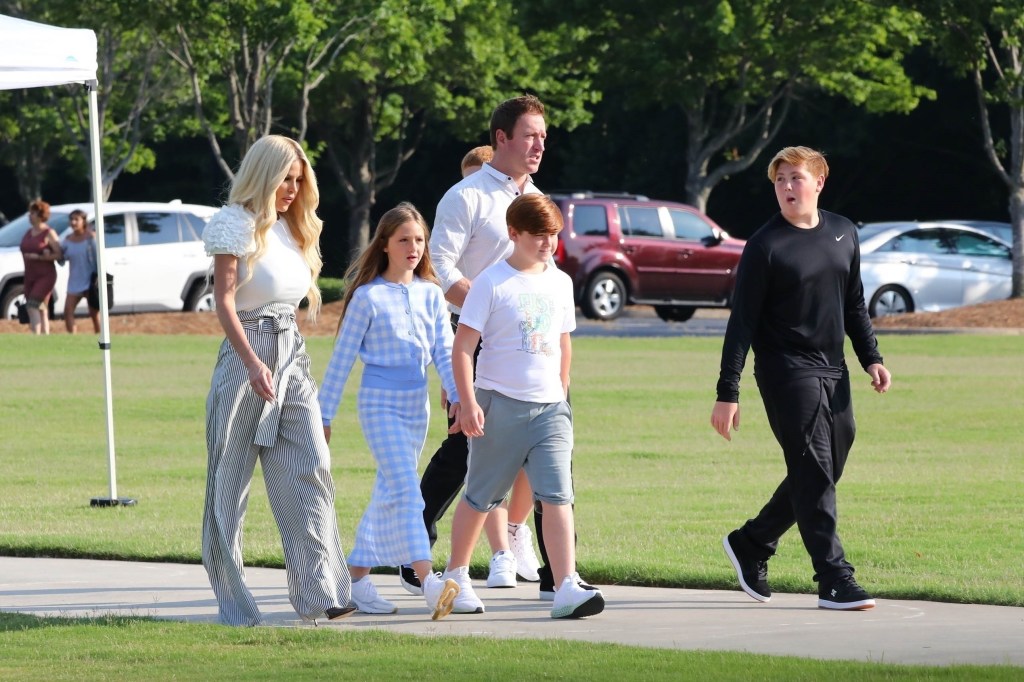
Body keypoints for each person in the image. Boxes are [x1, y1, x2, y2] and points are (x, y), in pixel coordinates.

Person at [711, 146, 892, 611]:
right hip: (786, 371)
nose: (788, 188)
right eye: (780, 180)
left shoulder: (843, 232)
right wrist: (727, 392)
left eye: (796, 178)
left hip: (834, 368)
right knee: (813, 468)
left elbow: (853, 302)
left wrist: (871, 357)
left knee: (825, 468)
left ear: (819, 182)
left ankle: (752, 542)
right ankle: (833, 577)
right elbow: (741, 324)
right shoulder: (765, 245)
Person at [200, 134, 355, 626]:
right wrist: (250, 361)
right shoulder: (233, 225)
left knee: (312, 464)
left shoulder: (294, 230)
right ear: (263, 175)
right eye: (285, 178)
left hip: (292, 358)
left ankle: (321, 594)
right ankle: (236, 606)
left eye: (298, 180)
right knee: (229, 487)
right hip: (244, 359)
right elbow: (224, 302)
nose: (292, 188)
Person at [411, 95, 557, 601]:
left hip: (530, 342)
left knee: (546, 440)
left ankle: (558, 577)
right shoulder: (466, 196)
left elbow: (548, 269)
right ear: (502, 138)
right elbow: (438, 267)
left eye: (543, 136)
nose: (539, 144)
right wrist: (484, 304)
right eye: (530, 135)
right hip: (473, 336)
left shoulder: (536, 197)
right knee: (463, 444)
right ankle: (417, 545)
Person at [441, 193, 604, 619]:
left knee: (558, 497)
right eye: (538, 235)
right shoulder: (491, 283)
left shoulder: (561, 282)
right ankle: (455, 578)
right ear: (514, 234)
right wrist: (468, 400)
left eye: (553, 234)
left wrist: (563, 391)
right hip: (499, 404)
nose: (548, 243)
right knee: (480, 497)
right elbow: (463, 348)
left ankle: (566, 584)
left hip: (551, 409)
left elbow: (564, 342)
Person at [318, 202, 461, 621]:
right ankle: (429, 582)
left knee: (389, 493)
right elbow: (341, 361)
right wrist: (323, 417)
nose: (413, 247)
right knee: (406, 491)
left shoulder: (432, 294)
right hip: (378, 405)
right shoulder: (367, 297)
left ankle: (354, 579)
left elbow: (444, 352)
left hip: (416, 406)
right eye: (404, 240)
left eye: (419, 240)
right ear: (385, 245)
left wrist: (457, 398)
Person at [19, 199, 62, 335]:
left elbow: (59, 254)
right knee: (42, 307)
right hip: (30, 275)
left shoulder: (49, 232)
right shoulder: (28, 232)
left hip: (45, 275)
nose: (29, 216)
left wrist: (41, 257)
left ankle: (35, 336)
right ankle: (45, 336)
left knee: (32, 305)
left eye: (32, 213)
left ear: (40, 215)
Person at [59, 209, 101, 334]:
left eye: (76, 219)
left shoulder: (90, 238)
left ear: (83, 221)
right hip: (74, 282)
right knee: (68, 311)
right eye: (71, 219)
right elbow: (62, 259)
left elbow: (99, 258)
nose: (73, 222)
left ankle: (99, 336)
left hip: (90, 282)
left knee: (94, 313)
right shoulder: (67, 240)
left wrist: (99, 278)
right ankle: (73, 337)